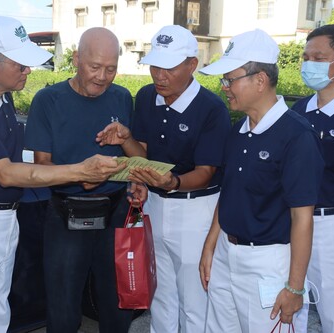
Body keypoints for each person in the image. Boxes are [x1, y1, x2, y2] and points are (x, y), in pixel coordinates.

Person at [0, 16, 126, 333]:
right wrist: (80, 170)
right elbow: (6, 173)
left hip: (3, 218)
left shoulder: (1, 97)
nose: (28, 70)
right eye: (20, 64)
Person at [96, 25, 231, 332]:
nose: (159, 75)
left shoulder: (212, 109)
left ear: (192, 65)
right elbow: (141, 155)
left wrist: (174, 183)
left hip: (196, 210)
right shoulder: (146, 97)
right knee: (159, 292)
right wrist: (127, 139)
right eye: (155, 65)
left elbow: (206, 171)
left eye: (168, 68)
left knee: (195, 298)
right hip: (154, 205)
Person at [198, 29, 324, 332]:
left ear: (260, 79)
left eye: (230, 79)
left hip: (269, 265)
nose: (224, 87)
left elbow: (302, 218)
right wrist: (210, 246)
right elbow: (229, 192)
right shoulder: (239, 129)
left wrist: (294, 288)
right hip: (228, 256)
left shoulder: (296, 136)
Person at [24, 27, 145, 333]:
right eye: (94, 67)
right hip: (67, 212)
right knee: (63, 305)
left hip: (116, 210)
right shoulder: (48, 100)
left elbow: (136, 158)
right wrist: (82, 178)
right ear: (76, 58)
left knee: (117, 301)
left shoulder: (121, 97)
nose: (103, 77)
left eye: (111, 69)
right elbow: (42, 166)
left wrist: (127, 141)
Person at [291, 24, 334, 333]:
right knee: (292, 309)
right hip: (295, 223)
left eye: (318, 57)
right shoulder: (299, 110)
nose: (308, 63)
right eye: (306, 56)